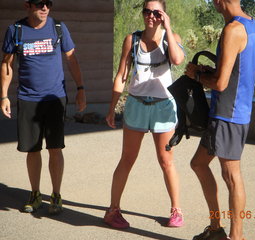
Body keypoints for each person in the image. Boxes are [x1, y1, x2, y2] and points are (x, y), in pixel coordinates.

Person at [104, 0, 185, 229]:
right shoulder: (133, 40)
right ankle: (112, 211)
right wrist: (112, 108)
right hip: (136, 105)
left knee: (166, 160)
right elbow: (122, 74)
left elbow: (178, 60)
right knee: (127, 159)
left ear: (164, 15)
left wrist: (167, 28)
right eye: (147, 11)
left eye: (156, 12)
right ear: (142, 14)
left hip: (163, 107)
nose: (151, 16)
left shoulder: (172, 37)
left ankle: (176, 211)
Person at [185, 0, 255, 239]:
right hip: (236, 111)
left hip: (228, 114)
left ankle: (235, 236)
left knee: (231, 175)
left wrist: (196, 74)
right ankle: (216, 229)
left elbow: (220, 84)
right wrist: (214, 70)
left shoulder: (232, 30)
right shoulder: (252, 25)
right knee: (198, 164)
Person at [0, 0, 86, 215]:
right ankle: (35, 193)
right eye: (40, 4)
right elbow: (7, 64)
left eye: (48, 3)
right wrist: (4, 96)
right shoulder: (16, 30)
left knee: (55, 148)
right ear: (27, 5)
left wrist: (81, 88)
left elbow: (72, 59)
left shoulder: (58, 27)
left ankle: (56, 195)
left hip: (55, 98)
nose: (45, 8)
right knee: (32, 149)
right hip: (28, 98)